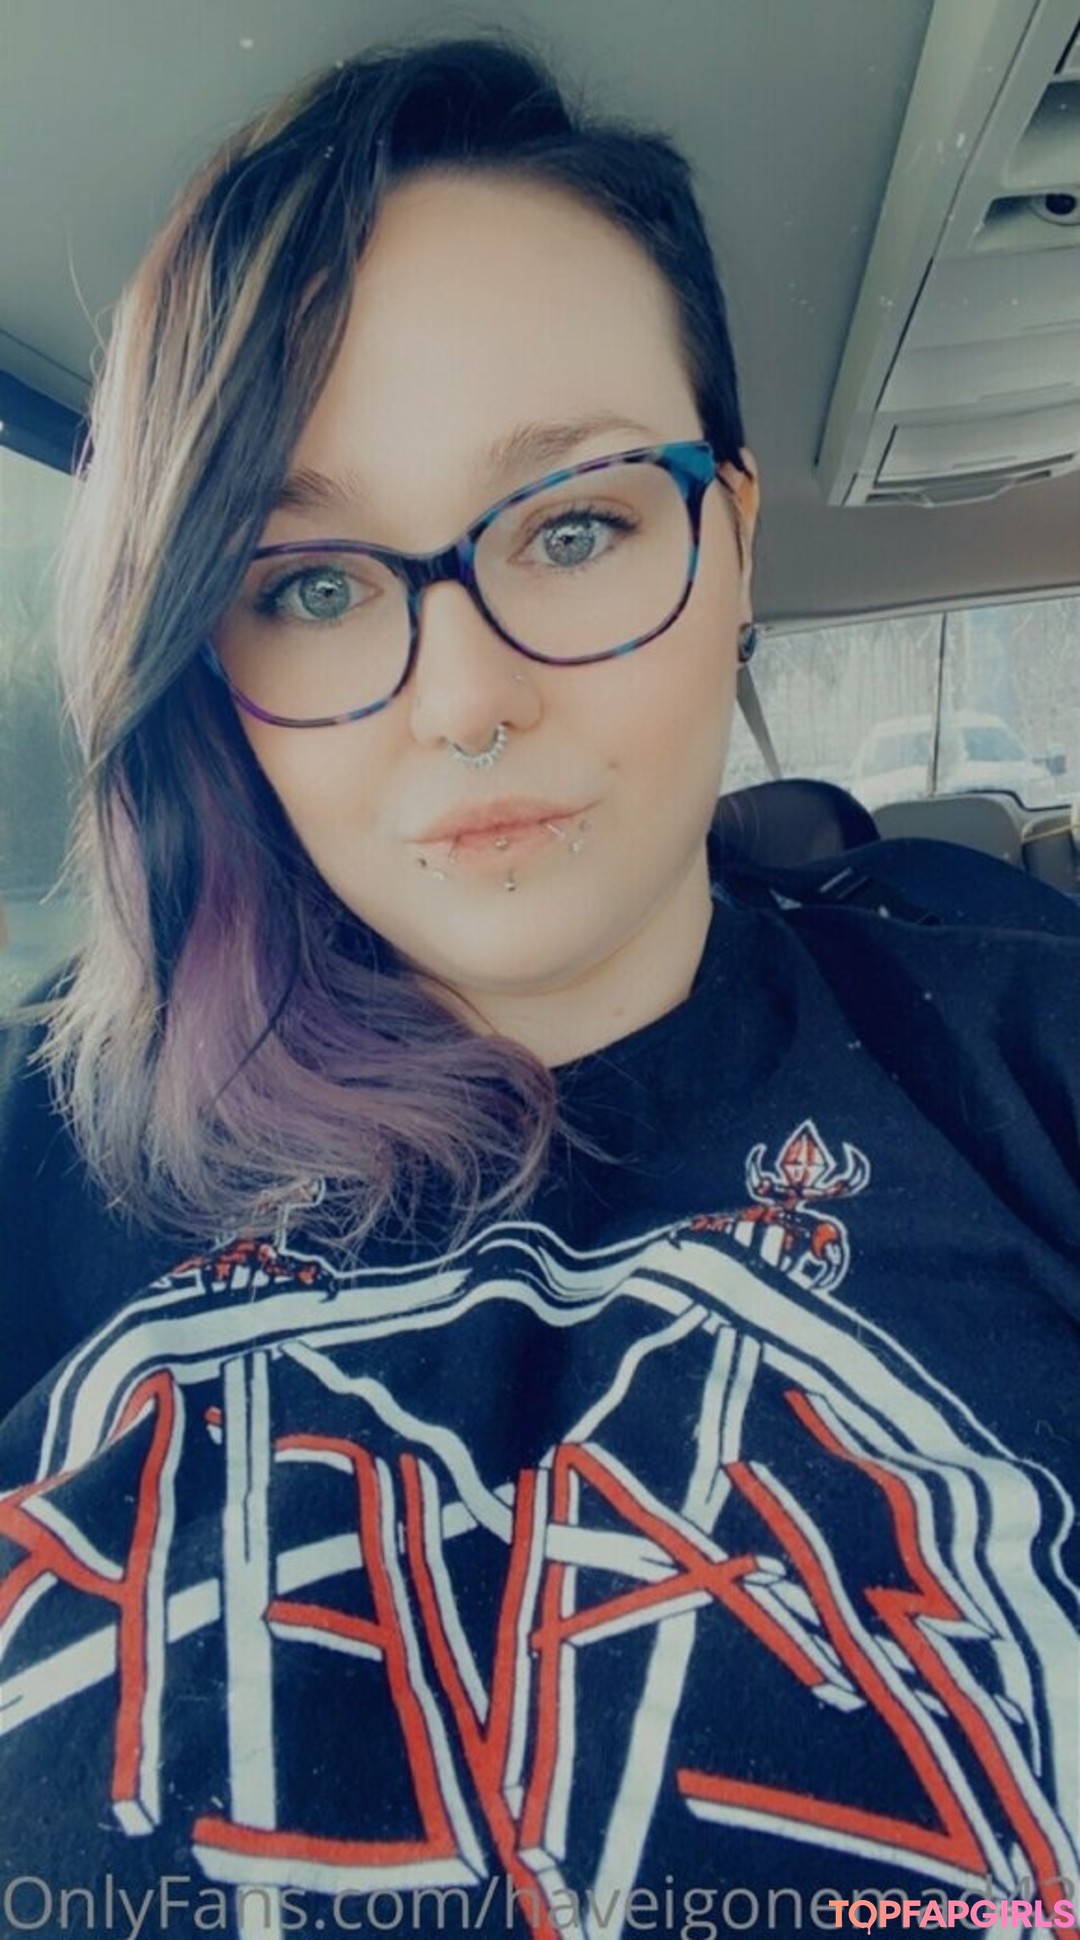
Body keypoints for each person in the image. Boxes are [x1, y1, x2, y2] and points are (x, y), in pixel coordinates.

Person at [0, 35, 1077, 1940]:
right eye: (310, 585)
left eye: (575, 526)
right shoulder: (36, 1155)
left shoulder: (1032, 1057)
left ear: (732, 544)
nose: (465, 699)